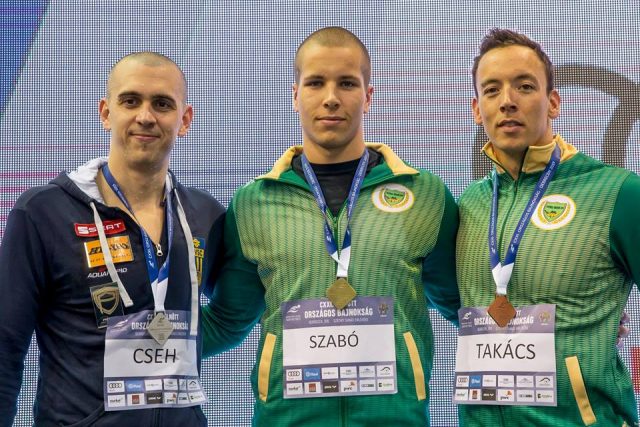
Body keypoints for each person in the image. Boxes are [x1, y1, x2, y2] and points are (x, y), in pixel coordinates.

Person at [201, 26, 460, 426]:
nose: (331, 97)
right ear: (295, 96)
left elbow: (465, 305)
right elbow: (227, 321)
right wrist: (117, 344)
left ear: (368, 96)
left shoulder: (424, 194)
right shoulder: (253, 203)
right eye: (316, 83)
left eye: (347, 83)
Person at [0, 52, 225, 426]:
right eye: (131, 101)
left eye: (162, 104)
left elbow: (236, 309)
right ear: (106, 113)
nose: (146, 116)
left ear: (185, 120)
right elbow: (5, 347)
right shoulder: (43, 213)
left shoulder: (205, 216)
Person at [454, 28, 640, 426]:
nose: (507, 101)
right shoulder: (469, 205)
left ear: (553, 102)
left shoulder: (618, 193)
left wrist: (595, 328)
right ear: (476, 110)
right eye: (491, 90)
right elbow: (453, 299)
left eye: (524, 86)